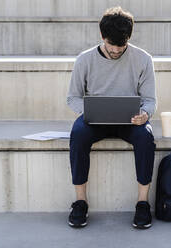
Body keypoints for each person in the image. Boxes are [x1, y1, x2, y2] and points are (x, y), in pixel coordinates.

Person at [66, 6, 157, 229]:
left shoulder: (143, 59)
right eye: (111, 46)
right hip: (94, 120)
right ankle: (80, 202)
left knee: (146, 138)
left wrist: (145, 114)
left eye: (121, 47)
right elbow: (73, 98)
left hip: (130, 121)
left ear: (129, 38)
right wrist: (89, 111)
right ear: (102, 36)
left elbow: (150, 100)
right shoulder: (84, 60)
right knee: (77, 135)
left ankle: (142, 203)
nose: (116, 51)